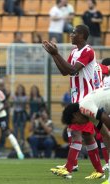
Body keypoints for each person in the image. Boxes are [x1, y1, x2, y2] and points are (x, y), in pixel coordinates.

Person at [43, 24, 104, 179]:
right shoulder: (74, 51)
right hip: (77, 98)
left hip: (87, 98)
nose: (71, 35)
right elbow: (65, 71)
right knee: (87, 136)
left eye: (74, 33)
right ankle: (99, 171)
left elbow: (73, 70)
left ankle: (69, 168)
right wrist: (54, 55)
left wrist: (56, 53)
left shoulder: (88, 51)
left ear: (82, 36)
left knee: (76, 132)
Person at [61, 87, 110, 184]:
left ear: (75, 115)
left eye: (76, 122)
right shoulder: (90, 114)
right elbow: (105, 134)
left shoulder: (84, 107)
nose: (79, 125)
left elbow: (104, 118)